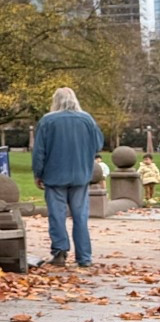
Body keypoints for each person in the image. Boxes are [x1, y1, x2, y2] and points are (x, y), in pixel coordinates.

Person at [31, 85, 104, 268]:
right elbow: (98, 145)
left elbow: (39, 151)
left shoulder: (48, 121)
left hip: (55, 174)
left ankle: (60, 252)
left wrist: (38, 173)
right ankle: (84, 257)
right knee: (80, 216)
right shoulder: (87, 119)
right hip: (80, 174)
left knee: (57, 215)